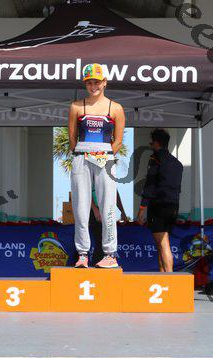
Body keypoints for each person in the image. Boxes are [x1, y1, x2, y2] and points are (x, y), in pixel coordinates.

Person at [68, 63, 125, 268]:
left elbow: (118, 140)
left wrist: (105, 155)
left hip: (105, 157)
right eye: (89, 83)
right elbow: (72, 138)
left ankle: (110, 254)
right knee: (80, 206)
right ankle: (82, 254)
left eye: (97, 82)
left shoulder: (115, 108)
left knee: (108, 205)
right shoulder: (76, 106)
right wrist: (83, 153)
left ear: (104, 82)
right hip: (81, 156)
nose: (93, 86)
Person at [137, 128, 183, 272]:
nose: (151, 145)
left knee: (163, 244)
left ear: (156, 143)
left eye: (151, 143)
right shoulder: (177, 163)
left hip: (159, 206)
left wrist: (142, 208)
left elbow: (150, 184)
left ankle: (169, 278)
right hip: (173, 207)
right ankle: (163, 276)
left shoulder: (156, 159)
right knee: (161, 244)